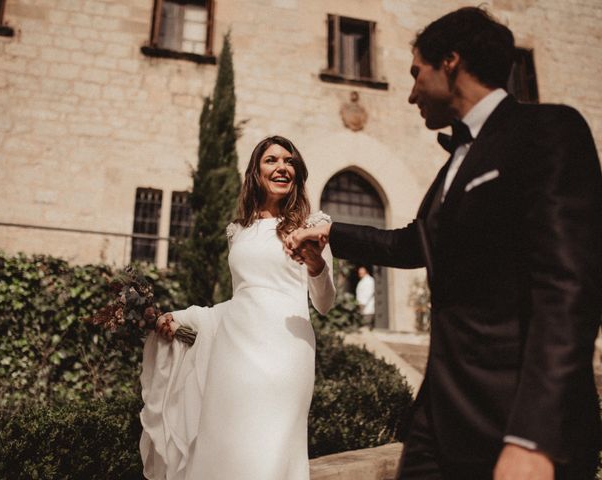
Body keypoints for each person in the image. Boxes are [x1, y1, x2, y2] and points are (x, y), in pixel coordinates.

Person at [285, 7, 602, 480]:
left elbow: (570, 289)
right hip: (441, 411)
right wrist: (330, 232)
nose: (411, 92)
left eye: (417, 73)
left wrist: (533, 437)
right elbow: (414, 243)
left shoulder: (548, 132)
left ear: (450, 62)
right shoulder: (456, 159)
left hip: (514, 414)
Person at [139, 135, 336, 480]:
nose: (281, 167)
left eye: (289, 161)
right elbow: (239, 301)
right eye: (271, 160)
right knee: (227, 447)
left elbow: (324, 303)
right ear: (256, 172)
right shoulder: (238, 231)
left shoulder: (313, 226)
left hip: (287, 352)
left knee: (272, 450)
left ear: (297, 172)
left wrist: (316, 263)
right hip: (234, 354)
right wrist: (185, 317)